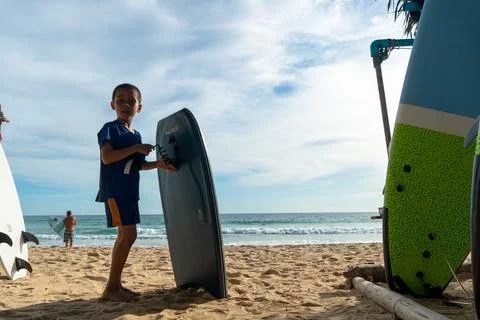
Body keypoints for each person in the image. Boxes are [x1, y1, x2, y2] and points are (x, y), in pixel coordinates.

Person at [95, 83, 176, 302]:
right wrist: (136, 149)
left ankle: (115, 286)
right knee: (129, 235)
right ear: (112, 104)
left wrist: (159, 164)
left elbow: (138, 165)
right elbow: (108, 157)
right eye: (121, 100)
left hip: (130, 191)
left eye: (131, 101)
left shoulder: (136, 134)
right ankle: (111, 288)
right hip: (115, 190)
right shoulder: (110, 128)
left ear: (139, 107)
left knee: (124, 235)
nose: (126, 104)